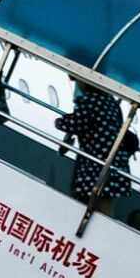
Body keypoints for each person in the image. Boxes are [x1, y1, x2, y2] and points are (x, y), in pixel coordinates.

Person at [55, 80, 132, 208]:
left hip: (97, 167)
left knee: (93, 206)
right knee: (105, 206)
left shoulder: (91, 101)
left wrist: (58, 121)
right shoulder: (110, 100)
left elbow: (75, 123)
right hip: (114, 165)